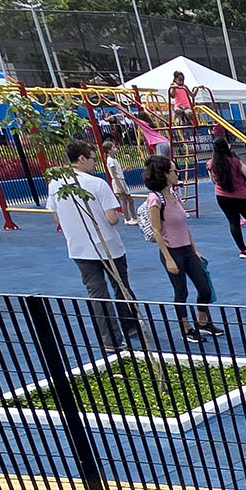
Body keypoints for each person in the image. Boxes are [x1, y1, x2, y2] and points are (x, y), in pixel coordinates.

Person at [44, 141, 143, 347]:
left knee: (97, 293)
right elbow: (113, 218)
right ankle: (130, 325)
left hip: (79, 247)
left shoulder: (55, 184)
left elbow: (57, 217)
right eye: (92, 158)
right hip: (107, 245)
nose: (95, 163)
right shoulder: (97, 183)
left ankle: (110, 339)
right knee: (121, 286)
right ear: (81, 159)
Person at [142, 156, 220, 344]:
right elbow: (156, 230)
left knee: (204, 287)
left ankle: (202, 322)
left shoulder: (174, 195)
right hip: (172, 250)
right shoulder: (155, 199)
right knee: (181, 291)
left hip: (186, 248)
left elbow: (184, 223)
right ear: (164, 174)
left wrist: (195, 248)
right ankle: (186, 328)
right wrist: (168, 258)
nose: (177, 174)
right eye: (174, 171)